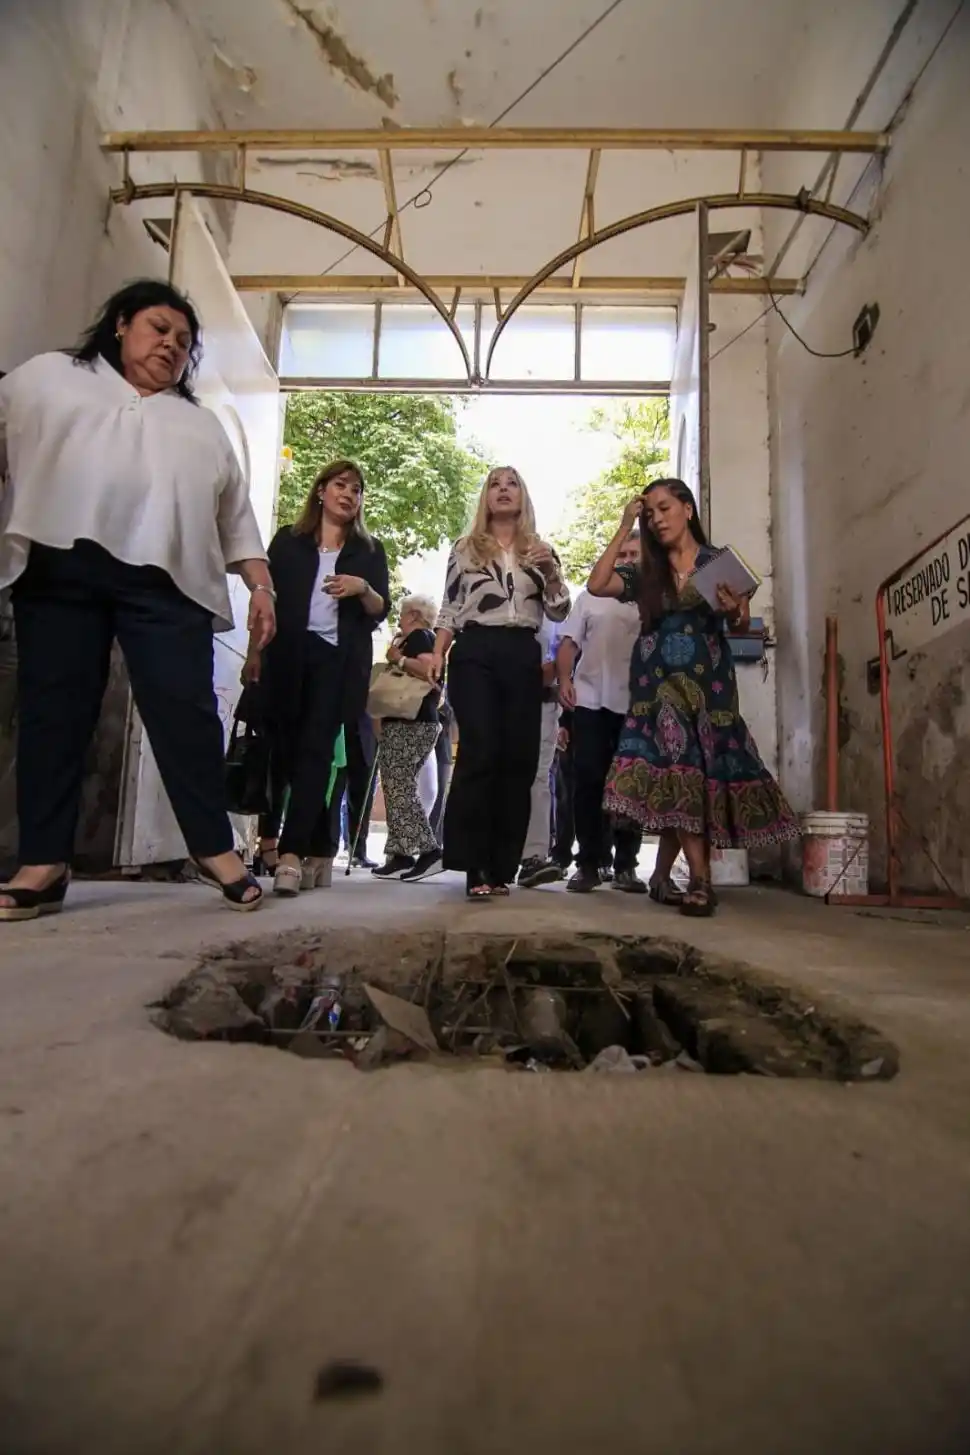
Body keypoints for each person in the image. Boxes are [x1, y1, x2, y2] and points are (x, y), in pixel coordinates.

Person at [0, 279, 273, 921]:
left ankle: (214, 847)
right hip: (61, 566)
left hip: (165, 581)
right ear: (120, 325)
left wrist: (261, 586)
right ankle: (44, 863)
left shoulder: (200, 426)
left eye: (184, 341)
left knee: (186, 711)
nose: (171, 346)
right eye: (158, 329)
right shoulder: (49, 379)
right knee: (54, 712)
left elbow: (236, 520)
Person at [589, 478, 799, 916]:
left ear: (687, 508)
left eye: (664, 508)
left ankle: (663, 876)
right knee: (681, 765)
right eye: (650, 514)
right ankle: (701, 881)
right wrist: (625, 521)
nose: (657, 518)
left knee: (688, 774)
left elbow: (739, 625)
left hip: (710, 686)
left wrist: (733, 609)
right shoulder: (648, 568)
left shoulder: (717, 563)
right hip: (657, 685)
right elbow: (597, 584)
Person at [244, 459, 390, 897]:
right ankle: (314, 845)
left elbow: (381, 608)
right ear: (321, 491)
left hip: (336, 661)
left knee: (316, 754)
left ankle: (290, 856)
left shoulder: (368, 549)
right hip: (286, 658)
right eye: (342, 485)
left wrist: (361, 588)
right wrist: (253, 654)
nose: (349, 494)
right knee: (283, 753)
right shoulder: (288, 543)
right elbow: (264, 602)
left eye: (358, 489)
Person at [430, 466, 570, 899]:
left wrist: (551, 573)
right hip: (475, 652)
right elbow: (450, 607)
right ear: (486, 499)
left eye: (512, 484)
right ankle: (473, 865)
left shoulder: (541, 550)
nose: (504, 490)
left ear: (523, 496)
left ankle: (500, 866)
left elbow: (560, 611)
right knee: (481, 750)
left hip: (522, 654)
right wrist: (437, 650)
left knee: (519, 759)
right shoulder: (466, 548)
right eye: (495, 484)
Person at [557, 529, 645, 893]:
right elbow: (568, 644)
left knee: (631, 786)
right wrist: (564, 679)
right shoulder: (590, 598)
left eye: (634, 555)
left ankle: (626, 865)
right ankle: (590, 862)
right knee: (589, 781)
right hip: (591, 700)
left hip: (637, 705)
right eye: (621, 554)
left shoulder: (651, 598)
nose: (626, 561)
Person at [372, 594, 443, 882]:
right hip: (409, 722)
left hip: (412, 721)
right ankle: (401, 854)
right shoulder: (416, 638)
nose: (399, 619)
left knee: (399, 785)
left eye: (402, 614)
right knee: (395, 785)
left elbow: (428, 670)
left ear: (413, 615)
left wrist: (398, 658)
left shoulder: (421, 637)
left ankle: (429, 850)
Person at [517, 617, 565, 887]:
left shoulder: (556, 609)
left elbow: (558, 661)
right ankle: (493, 856)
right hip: (506, 700)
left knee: (539, 779)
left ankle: (533, 858)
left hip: (544, 703)